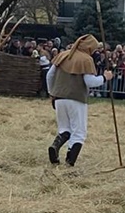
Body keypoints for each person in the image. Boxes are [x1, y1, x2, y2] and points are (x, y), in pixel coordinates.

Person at [46, 34, 114, 167]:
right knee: (79, 132)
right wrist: (105, 78)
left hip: (59, 98)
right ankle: (69, 162)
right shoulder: (86, 60)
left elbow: (50, 75)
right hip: (76, 99)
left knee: (64, 129)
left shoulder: (62, 55)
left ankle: (55, 146)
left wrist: (51, 93)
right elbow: (89, 82)